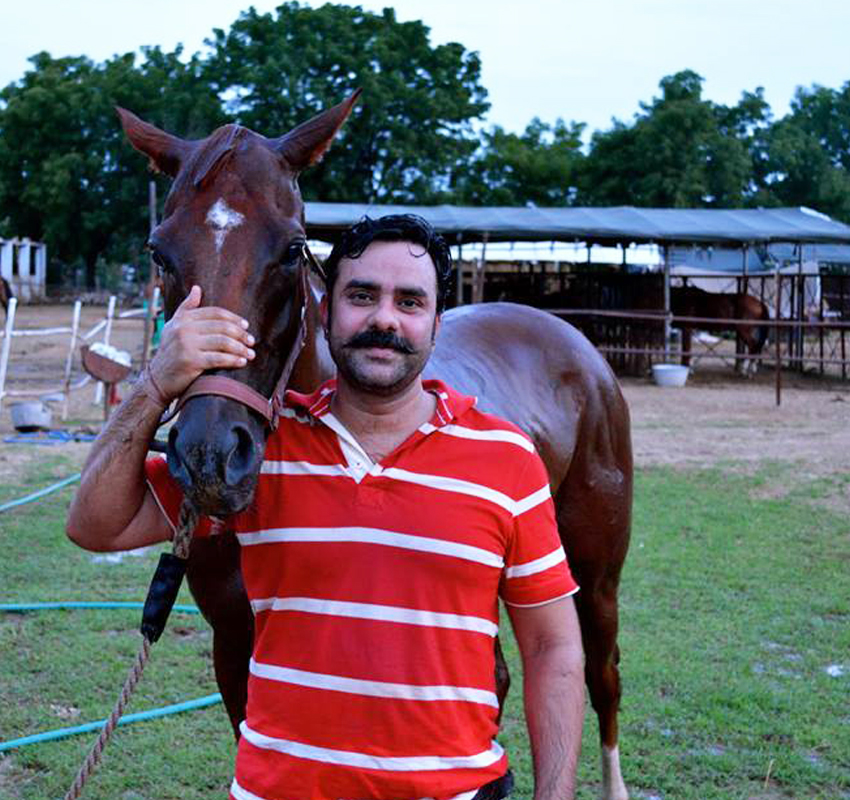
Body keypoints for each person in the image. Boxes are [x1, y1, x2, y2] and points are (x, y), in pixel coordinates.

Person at [66, 215, 585, 800]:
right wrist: (156, 382)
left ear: (436, 324)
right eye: (361, 296)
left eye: (409, 301)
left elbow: (552, 646)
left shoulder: (506, 458)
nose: (384, 319)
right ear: (324, 309)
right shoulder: (262, 451)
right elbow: (95, 524)